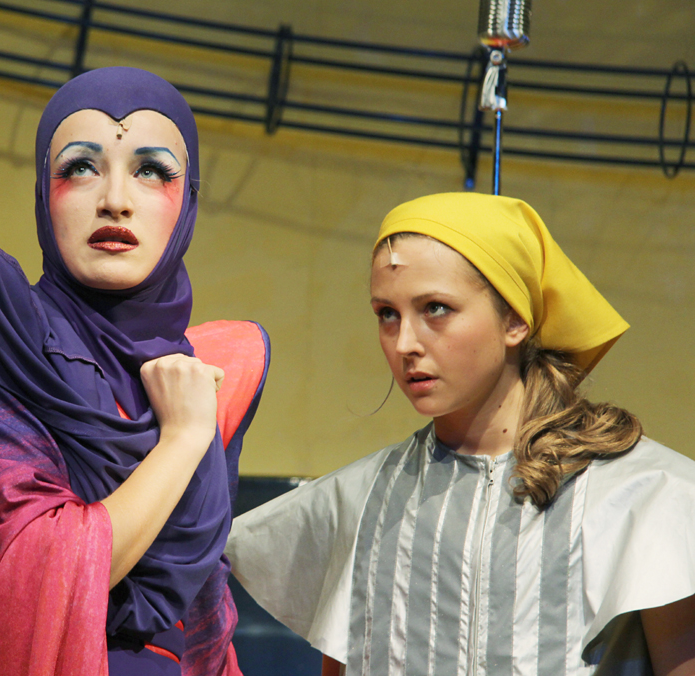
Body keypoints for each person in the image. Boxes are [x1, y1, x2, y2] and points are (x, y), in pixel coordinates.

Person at [0, 67, 269, 676]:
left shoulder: (210, 376)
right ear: (44, 193)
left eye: (152, 171)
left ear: (189, 201)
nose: (115, 199)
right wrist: (181, 440)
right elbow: (32, 584)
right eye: (81, 167)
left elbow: (206, 630)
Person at [224, 193, 695, 676]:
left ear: (515, 319)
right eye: (387, 313)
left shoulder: (650, 496)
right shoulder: (353, 503)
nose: (405, 343)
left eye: (436, 308)